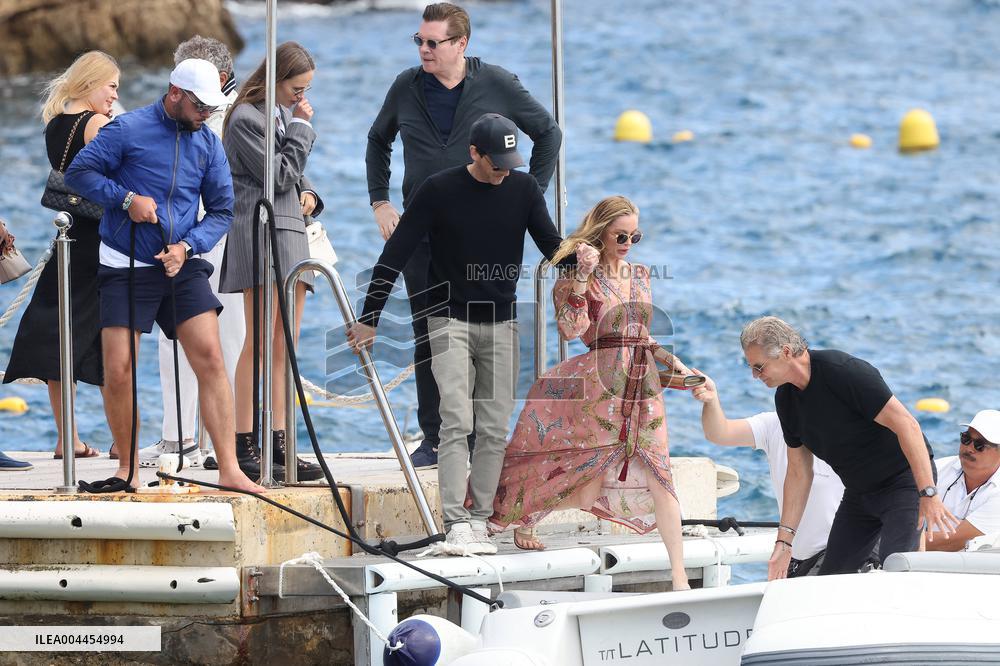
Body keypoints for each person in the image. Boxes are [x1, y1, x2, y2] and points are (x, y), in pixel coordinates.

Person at [348, 114, 573, 554]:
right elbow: (395, 254)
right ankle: (455, 523)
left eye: (510, 163)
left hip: (502, 322)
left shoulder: (524, 190)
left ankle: (481, 519)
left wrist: (584, 259)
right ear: (475, 153)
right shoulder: (438, 189)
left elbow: (551, 246)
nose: (504, 171)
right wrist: (369, 317)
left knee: (492, 427)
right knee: (456, 421)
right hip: (448, 320)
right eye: (496, 163)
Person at [366, 2, 562, 469]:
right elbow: (378, 140)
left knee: (483, 333)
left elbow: (548, 133)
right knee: (428, 332)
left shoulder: (496, 82)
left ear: (461, 44)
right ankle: (435, 438)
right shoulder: (406, 86)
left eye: (433, 42)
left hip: (481, 235)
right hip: (422, 231)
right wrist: (380, 201)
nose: (424, 49)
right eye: (419, 41)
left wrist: (525, 195)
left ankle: (479, 438)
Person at [64, 58, 263, 494]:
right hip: (125, 264)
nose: (206, 114)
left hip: (181, 264)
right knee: (119, 369)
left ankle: (230, 470)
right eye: (200, 106)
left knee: (210, 358)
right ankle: (129, 469)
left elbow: (223, 211)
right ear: (175, 93)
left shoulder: (208, 143)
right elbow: (78, 173)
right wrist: (126, 199)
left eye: (211, 107)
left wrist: (187, 247)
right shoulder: (126, 129)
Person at [488, 195, 690, 590]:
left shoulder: (641, 274)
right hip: (601, 383)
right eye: (621, 235)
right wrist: (581, 276)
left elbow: (643, 335)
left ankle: (679, 576)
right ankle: (527, 513)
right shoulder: (579, 274)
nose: (628, 243)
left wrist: (676, 363)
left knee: (660, 474)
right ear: (601, 232)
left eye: (635, 236)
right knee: (585, 477)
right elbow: (570, 329)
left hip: (642, 384)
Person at [740, 316, 957, 578]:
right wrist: (784, 543)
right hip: (858, 492)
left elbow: (907, 425)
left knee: (897, 570)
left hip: (903, 483)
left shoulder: (842, 371)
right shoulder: (785, 400)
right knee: (832, 578)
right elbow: (798, 472)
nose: (755, 376)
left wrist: (928, 494)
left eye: (759, 367)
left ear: (786, 352)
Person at [3, 51, 119, 459]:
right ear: (91, 82)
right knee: (112, 339)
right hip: (100, 240)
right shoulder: (96, 124)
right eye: (111, 86)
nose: (114, 94)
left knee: (61, 335)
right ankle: (122, 441)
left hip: (67, 238)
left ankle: (67, 438)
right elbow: (124, 174)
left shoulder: (54, 125)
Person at [138, 36, 246, 470]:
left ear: (218, 77)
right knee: (176, 339)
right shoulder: (182, 115)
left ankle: (218, 440)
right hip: (184, 238)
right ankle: (179, 436)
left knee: (222, 340)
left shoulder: (235, 112)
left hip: (220, 236)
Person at [219, 41, 325, 482]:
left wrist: (310, 194)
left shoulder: (279, 115)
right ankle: (244, 440)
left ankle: (281, 442)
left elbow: (293, 176)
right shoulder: (245, 118)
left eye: (305, 90)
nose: (301, 97)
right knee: (260, 340)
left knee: (286, 345)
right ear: (276, 78)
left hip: (292, 233)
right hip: (261, 232)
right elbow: (276, 175)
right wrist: (301, 127)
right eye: (297, 88)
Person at [690, 373, 843, 576]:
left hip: (840, 551)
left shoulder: (844, 431)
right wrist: (711, 400)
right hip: (796, 555)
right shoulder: (774, 424)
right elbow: (719, 433)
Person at [926, 410, 1000, 552]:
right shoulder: (938, 469)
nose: (969, 448)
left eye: (979, 445)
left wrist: (896, 538)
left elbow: (954, 542)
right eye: (966, 439)